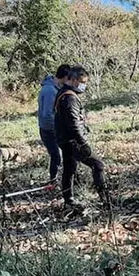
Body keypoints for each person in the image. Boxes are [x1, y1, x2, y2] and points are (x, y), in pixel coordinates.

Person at [54, 66, 109, 208]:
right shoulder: (70, 98)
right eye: (81, 81)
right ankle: (105, 200)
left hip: (64, 139)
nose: (83, 85)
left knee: (69, 169)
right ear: (72, 80)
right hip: (73, 141)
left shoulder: (62, 93)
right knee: (98, 165)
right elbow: (74, 124)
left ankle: (69, 200)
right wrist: (83, 143)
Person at [38, 64, 71, 183]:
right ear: (65, 77)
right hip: (49, 130)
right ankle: (53, 181)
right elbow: (47, 115)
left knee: (61, 155)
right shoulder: (50, 91)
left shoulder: (54, 88)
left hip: (52, 128)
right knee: (56, 156)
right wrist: (59, 127)